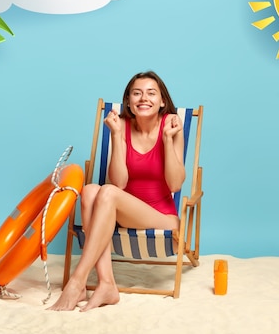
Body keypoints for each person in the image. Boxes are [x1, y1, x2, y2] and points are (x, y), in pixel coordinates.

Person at [47, 71, 186, 312]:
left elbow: (175, 184)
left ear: (162, 100)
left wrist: (166, 140)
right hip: (123, 210)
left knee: (106, 192)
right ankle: (106, 284)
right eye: (137, 93)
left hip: (162, 217)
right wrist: (117, 135)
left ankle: (77, 282)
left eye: (151, 93)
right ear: (129, 101)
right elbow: (119, 183)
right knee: (90, 190)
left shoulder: (171, 125)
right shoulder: (121, 126)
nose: (144, 98)